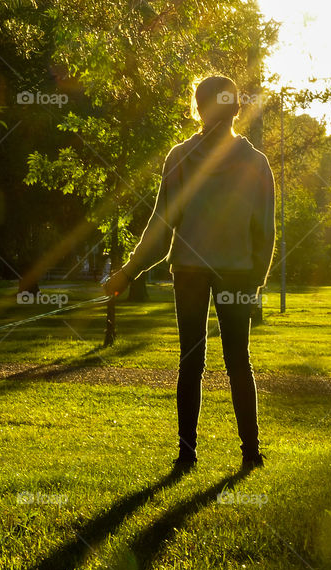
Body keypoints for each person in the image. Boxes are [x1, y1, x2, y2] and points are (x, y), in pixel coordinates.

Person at [103, 75, 276, 471]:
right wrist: (256, 282)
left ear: (199, 109)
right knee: (237, 361)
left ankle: (187, 456)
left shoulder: (181, 155)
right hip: (234, 273)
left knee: (191, 361)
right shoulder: (254, 162)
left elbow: (161, 227)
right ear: (236, 109)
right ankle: (250, 454)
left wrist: (127, 273)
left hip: (192, 270)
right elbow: (264, 232)